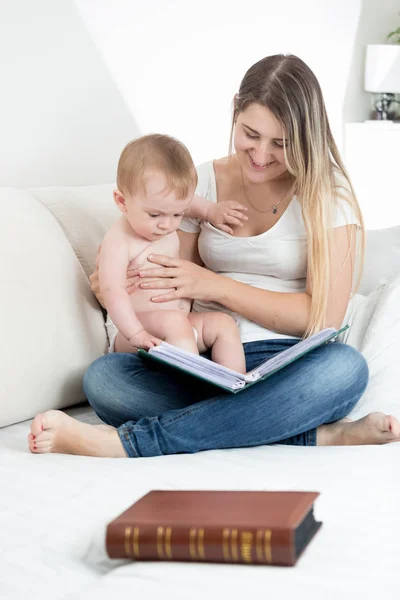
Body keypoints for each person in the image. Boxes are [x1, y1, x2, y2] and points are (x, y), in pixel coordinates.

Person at [28, 54, 400, 457]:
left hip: (286, 362)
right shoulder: (199, 183)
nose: (260, 154)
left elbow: (322, 319)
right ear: (235, 110)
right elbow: (174, 284)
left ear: (306, 137)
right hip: (201, 361)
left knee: (344, 370)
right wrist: (122, 285)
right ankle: (312, 432)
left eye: (281, 143)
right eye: (250, 134)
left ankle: (130, 443)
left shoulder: (329, 196)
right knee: (105, 380)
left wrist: (216, 285)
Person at [99, 133, 245, 375]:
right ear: (122, 201)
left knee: (224, 324)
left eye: (177, 214)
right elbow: (112, 291)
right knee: (174, 323)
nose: (167, 224)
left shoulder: (168, 211)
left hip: (180, 329)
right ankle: (192, 384)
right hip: (133, 331)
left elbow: (190, 204)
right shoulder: (119, 241)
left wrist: (211, 211)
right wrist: (136, 333)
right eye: (155, 215)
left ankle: (236, 385)